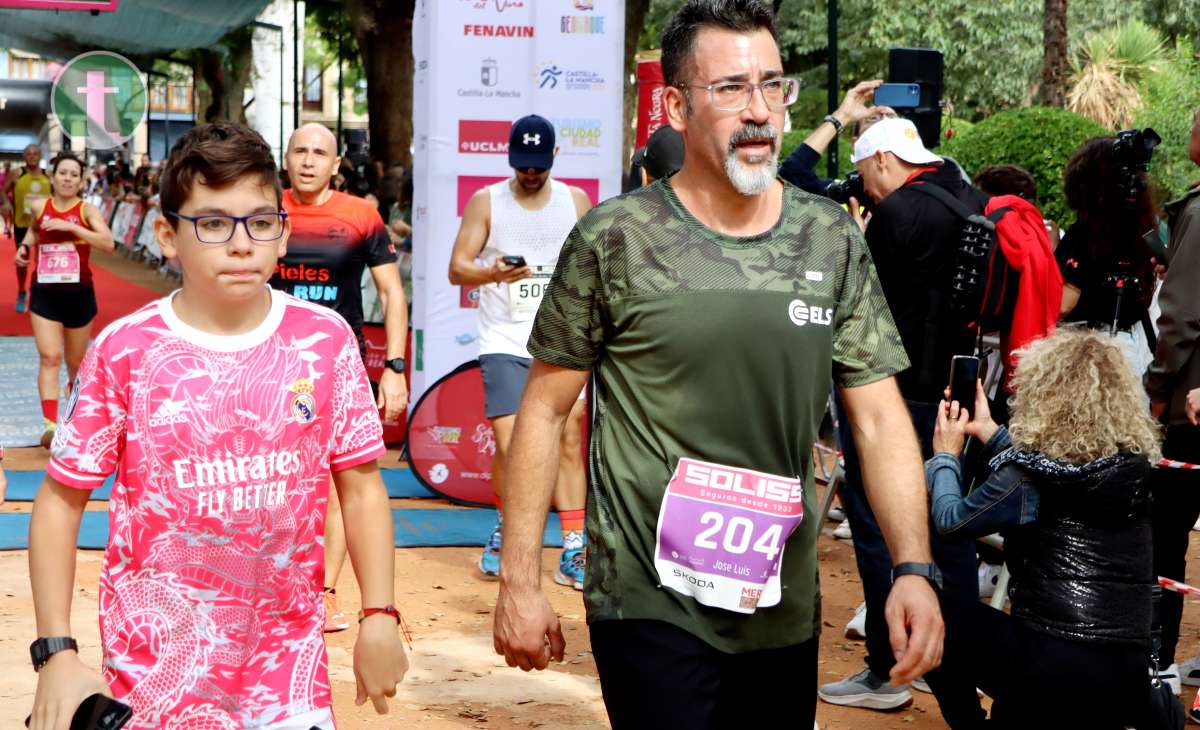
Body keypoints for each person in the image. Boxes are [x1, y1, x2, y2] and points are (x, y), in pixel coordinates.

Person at [491, 3, 944, 727]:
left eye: (773, 86)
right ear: (675, 105)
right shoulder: (616, 238)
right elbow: (545, 409)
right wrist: (520, 579)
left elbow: (882, 417)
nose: (759, 110)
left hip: (780, 598)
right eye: (731, 88)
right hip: (645, 591)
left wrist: (913, 568)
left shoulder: (829, 238)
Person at [27, 122, 408, 730]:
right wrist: (55, 652)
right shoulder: (124, 351)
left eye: (260, 222)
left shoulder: (325, 341)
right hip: (154, 682)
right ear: (166, 235)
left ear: (281, 235)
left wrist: (379, 614)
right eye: (212, 223)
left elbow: (361, 487)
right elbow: (59, 500)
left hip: (289, 678)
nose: (241, 245)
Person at [814, 117, 985, 711]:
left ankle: (890, 670)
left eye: (864, 174)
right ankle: (962, 655)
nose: (865, 187)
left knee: (875, 523)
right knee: (951, 525)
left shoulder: (898, 214)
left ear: (883, 160)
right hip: (957, 390)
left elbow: (858, 306)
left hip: (891, 393)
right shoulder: (970, 197)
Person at [923, 327, 1157, 728]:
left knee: (926, 614)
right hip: (1127, 671)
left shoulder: (1027, 475)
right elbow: (1058, 475)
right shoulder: (1131, 469)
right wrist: (990, 432)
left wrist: (945, 456)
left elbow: (950, 522)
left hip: (1052, 662)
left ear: (1041, 394)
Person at [274, 123, 410, 633]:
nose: (309, 160)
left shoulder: (360, 215)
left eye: (320, 153)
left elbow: (393, 295)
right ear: (286, 158)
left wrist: (393, 368)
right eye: (300, 150)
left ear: (336, 165)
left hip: (333, 367)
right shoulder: (266, 210)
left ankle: (321, 594)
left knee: (332, 481)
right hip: (270, 365)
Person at [448, 114, 591, 588]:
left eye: (537, 165)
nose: (529, 174)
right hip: (504, 338)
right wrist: (493, 273)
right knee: (512, 444)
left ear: (553, 157)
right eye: (521, 166)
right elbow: (457, 268)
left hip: (561, 339)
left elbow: (593, 267)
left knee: (570, 436)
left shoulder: (575, 200)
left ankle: (573, 547)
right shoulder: (487, 200)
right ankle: (506, 531)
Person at [1144, 107, 1200, 692]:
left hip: (1189, 406)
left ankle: (1157, 659)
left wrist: (1157, 386)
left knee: (1167, 533)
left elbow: (1180, 316)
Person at [13, 152, 115, 448]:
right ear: (52, 177)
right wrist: (24, 246)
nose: (68, 178)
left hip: (79, 296)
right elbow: (35, 230)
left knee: (75, 363)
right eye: (62, 173)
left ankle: (75, 421)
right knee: (49, 357)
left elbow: (108, 243)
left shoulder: (87, 210)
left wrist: (72, 228)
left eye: (74, 174)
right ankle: (50, 426)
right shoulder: (39, 207)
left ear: (81, 181)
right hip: (44, 293)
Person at [1057, 136, 1160, 374]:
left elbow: (1064, 303)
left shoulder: (1087, 230)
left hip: (1084, 350)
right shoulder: (1147, 226)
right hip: (1131, 351)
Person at [778, 79, 896, 195]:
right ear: (856, 144)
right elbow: (790, 177)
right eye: (873, 118)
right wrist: (843, 115)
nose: (884, 123)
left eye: (890, 116)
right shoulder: (846, 191)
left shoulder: (913, 189)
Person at [3, 144, 51, 313]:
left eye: (35, 153)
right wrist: (7, 202)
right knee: (22, 261)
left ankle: (38, 292)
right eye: (28, 154)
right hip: (22, 223)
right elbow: (3, 191)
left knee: (42, 260)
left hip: (45, 224)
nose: (32, 156)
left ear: (40, 156)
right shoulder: (17, 174)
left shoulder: (48, 175)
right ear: (24, 157)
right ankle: (22, 291)